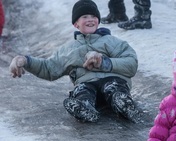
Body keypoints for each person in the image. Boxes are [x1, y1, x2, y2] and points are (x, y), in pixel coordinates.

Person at [9, 0, 140, 123]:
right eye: (84, 16)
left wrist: (104, 62)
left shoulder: (111, 41)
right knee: (83, 90)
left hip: (112, 79)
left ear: (98, 21)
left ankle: (123, 103)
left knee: (113, 86)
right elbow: (49, 68)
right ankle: (84, 107)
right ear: (75, 24)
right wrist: (25, 60)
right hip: (87, 83)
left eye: (93, 16)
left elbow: (131, 63)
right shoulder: (69, 49)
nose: (90, 19)